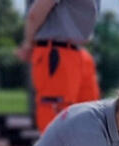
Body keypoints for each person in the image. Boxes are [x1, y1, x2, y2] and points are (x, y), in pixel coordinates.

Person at [17, 0, 101, 133]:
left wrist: (28, 43)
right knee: (87, 122)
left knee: (55, 125)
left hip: (59, 54)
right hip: (73, 54)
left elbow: (36, 13)